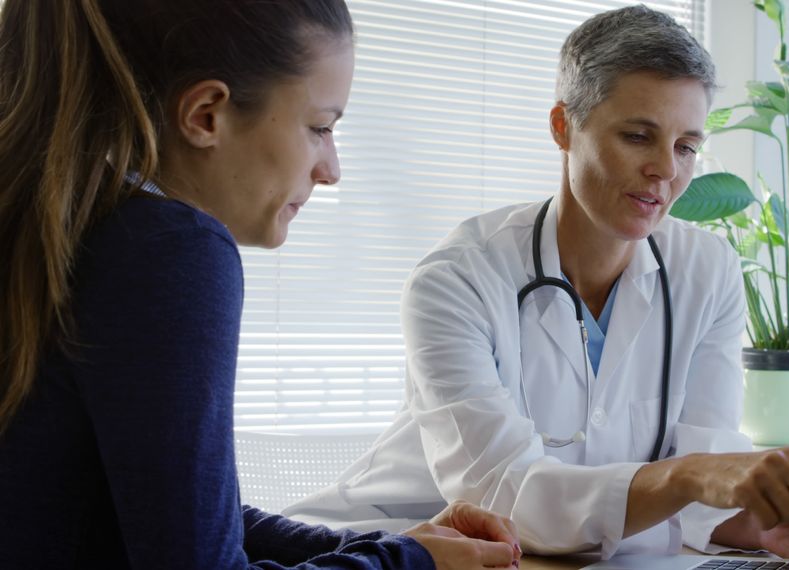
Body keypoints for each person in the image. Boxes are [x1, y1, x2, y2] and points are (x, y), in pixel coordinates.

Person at [285, 5, 789, 568]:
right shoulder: (456, 280)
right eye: (637, 136)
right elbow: (504, 500)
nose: (665, 170)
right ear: (563, 126)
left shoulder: (706, 270)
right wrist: (688, 476)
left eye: (686, 146)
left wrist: (761, 528)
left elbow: (706, 481)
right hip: (391, 550)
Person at [0, 1, 520, 568]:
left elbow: (173, 516)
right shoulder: (168, 249)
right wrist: (411, 564)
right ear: (206, 114)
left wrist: (386, 548)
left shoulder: (55, 224)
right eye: (320, 127)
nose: (332, 168)